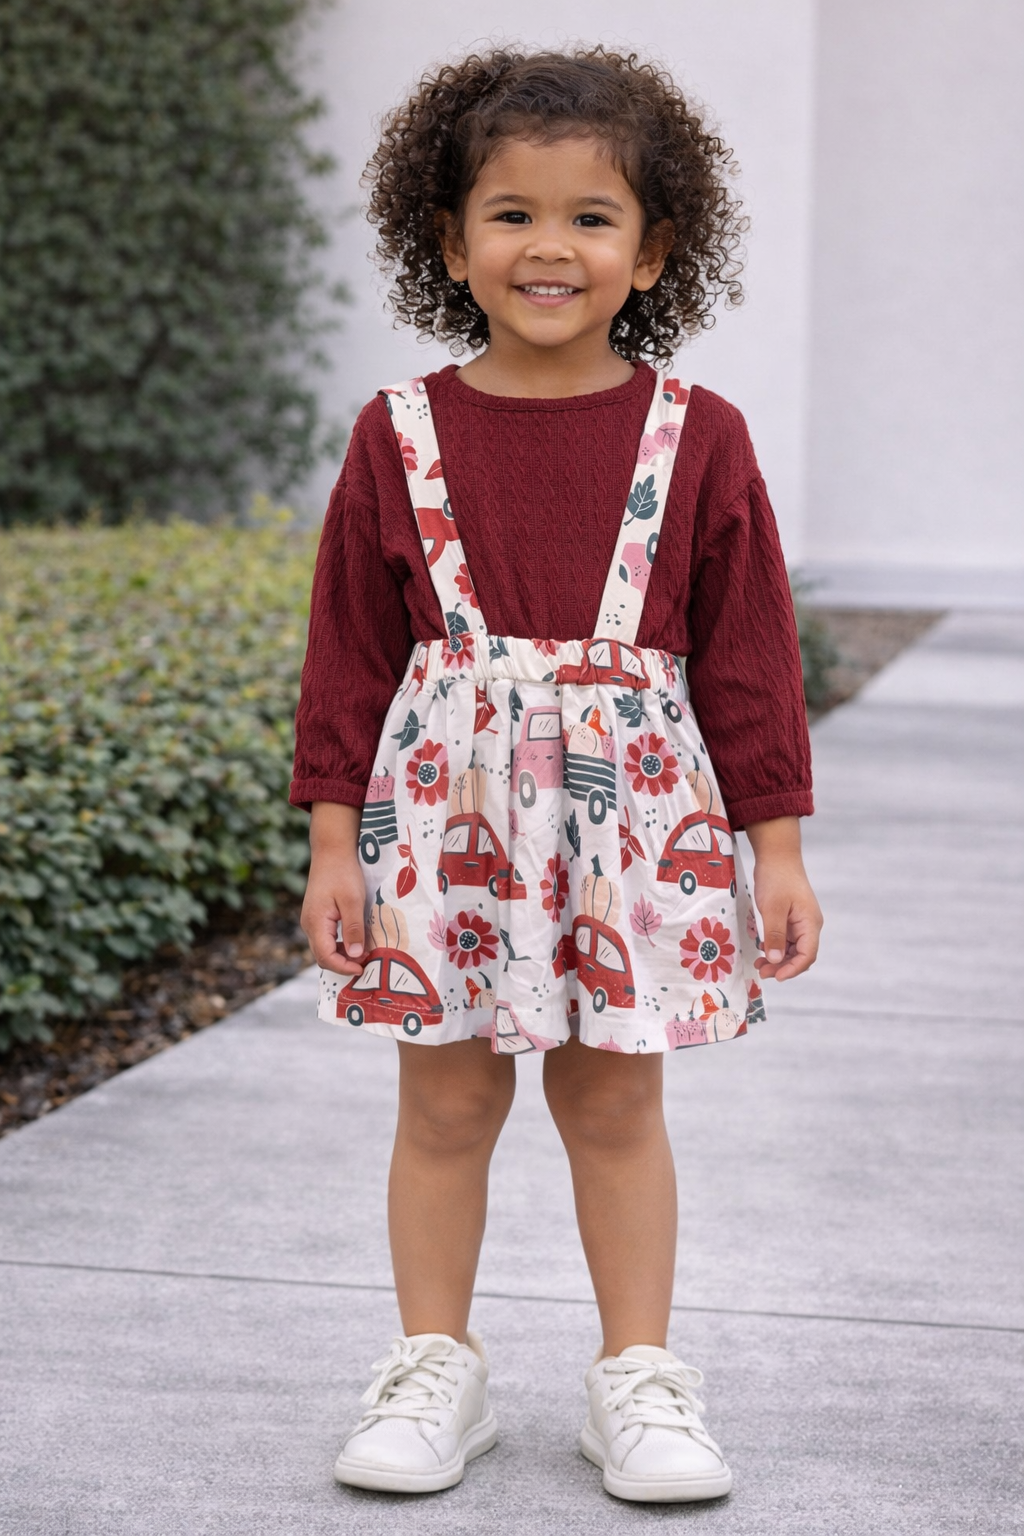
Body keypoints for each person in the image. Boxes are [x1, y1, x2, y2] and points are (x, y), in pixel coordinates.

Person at [291, 45, 822, 1504]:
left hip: (632, 831)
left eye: (592, 217)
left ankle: (637, 1382)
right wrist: (336, 840)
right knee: (446, 1104)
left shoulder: (698, 438)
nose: (549, 246)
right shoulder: (396, 437)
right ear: (449, 243)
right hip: (437, 822)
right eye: (511, 213)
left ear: (653, 252)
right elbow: (347, 649)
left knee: (613, 1102)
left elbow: (751, 660)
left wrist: (775, 845)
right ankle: (432, 1370)